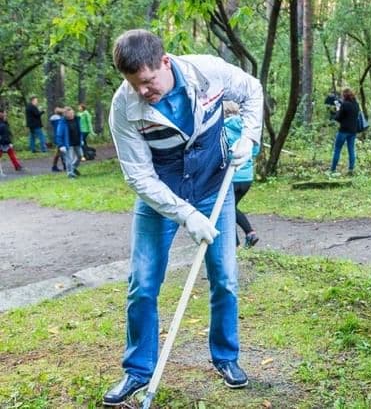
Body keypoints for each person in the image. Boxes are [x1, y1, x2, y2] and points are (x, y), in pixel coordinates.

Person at [102, 29, 263, 406]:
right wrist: (186, 215)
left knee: (224, 277)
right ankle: (138, 370)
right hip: (161, 196)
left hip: (213, 187)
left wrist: (248, 137)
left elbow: (252, 90)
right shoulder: (124, 107)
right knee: (142, 283)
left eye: (147, 81)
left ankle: (226, 358)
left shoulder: (207, 72)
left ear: (164, 62)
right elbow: (138, 176)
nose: (142, 91)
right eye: (133, 84)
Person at [223, 101, 261, 248]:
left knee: (226, 209)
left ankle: (245, 236)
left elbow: (222, 153)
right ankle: (241, 239)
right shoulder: (248, 128)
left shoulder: (223, 129)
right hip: (247, 178)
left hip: (231, 177)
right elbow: (255, 151)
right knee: (230, 208)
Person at [330, 88, 360, 175]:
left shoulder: (345, 105)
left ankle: (332, 169)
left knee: (337, 149)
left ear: (345, 96)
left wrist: (337, 110)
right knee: (351, 150)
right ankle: (351, 169)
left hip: (343, 130)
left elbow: (338, 117)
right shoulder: (356, 105)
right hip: (353, 131)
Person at [55, 107, 83, 178]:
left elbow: (80, 130)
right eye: (70, 114)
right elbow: (59, 134)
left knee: (80, 156)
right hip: (67, 143)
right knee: (69, 159)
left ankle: (73, 167)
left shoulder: (77, 119)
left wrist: (81, 139)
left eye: (72, 113)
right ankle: (70, 173)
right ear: (66, 115)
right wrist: (61, 145)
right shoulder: (62, 122)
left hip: (77, 141)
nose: (72, 115)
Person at [49, 107, 66, 172]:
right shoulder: (60, 120)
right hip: (60, 138)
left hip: (57, 137)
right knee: (61, 152)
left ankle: (56, 166)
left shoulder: (54, 120)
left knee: (59, 152)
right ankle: (62, 166)